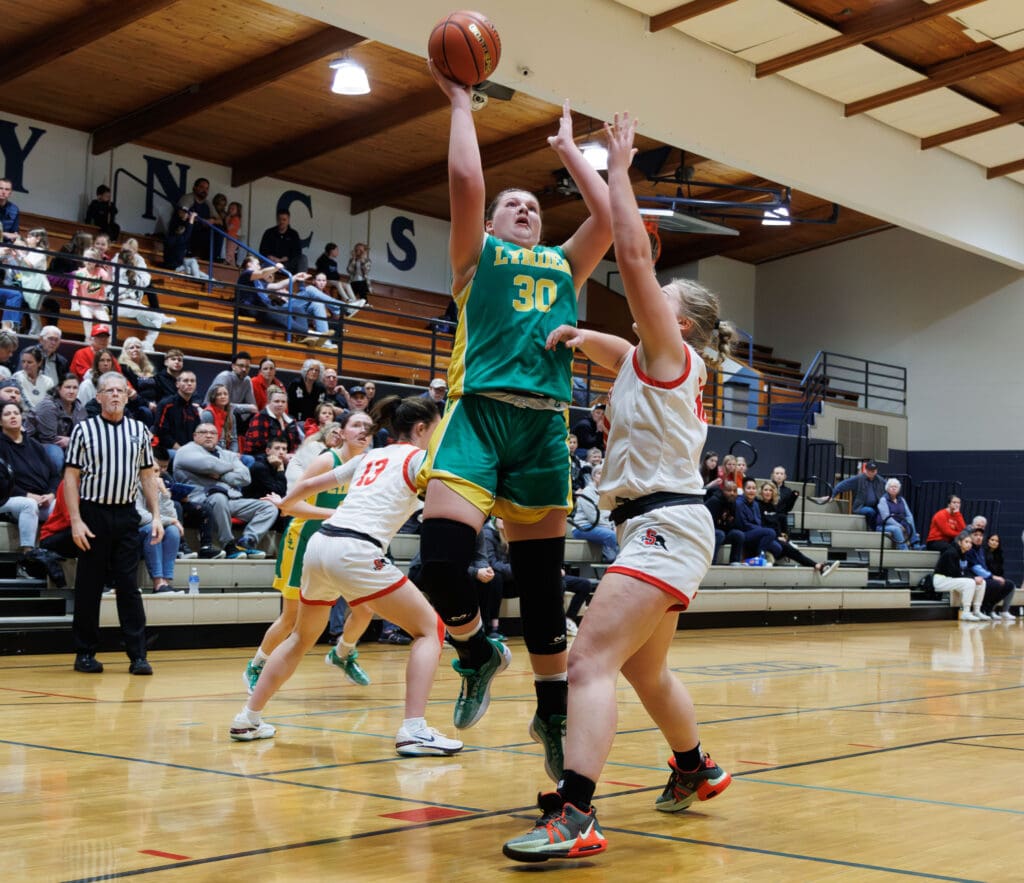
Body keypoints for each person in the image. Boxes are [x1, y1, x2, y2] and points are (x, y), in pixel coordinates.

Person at [502, 113, 729, 862]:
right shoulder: (646, 358)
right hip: (662, 525)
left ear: (683, 324)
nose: (649, 300)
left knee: (588, 660)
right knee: (643, 666)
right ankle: (695, 766)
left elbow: (630, 255)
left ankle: (577, 814)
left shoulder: (670, 351)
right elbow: (615, 348)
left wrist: (620, 170)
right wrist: (574, 336)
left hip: (665, 524)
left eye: (665, 298)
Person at [416, 67, 611, 774]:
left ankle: (553, 712)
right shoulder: (478, 260)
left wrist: (570, 155)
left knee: (541, 590)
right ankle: (474, 649)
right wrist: (462, 104)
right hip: (477, 417)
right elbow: (466, 184)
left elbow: (611, 220)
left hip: (541, 431)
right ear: (493, 224)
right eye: (514, 204)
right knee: (439, 561)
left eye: (534, 204)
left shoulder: (563, 265)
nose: (526, 208)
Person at [231, 396, 463, 761]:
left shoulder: (370, 456)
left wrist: (287, 503)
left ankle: (248, 718)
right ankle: (414, 730)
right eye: (436, 429)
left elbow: (310, 487)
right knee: (430, 629)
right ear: (421, 429)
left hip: (321, 544)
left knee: (300, 638)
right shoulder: (421, 459)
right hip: (356, 550)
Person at [243, 410, 374, 695]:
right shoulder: (327, 461)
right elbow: (290, 507)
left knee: (365, 609)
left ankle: (343, 654)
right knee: (291, 619)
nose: (363, 431)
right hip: (304, 540)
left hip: (339, 544)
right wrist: (337, 513)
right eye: (356, 425)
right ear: (342, 432)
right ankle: (256, 665)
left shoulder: (368, 466)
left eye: (368, 426)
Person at [65, 371, 164, 674]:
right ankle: (85, 653)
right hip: (93, 514)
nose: (115, 395)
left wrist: (157, 516)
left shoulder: (138, 430)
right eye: (109, 391)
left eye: (120, 390)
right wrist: (76, 521)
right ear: (99, 397)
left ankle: (138, 655)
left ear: (127, 394)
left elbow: (148, 476)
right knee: (89, 587)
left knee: (129, 587)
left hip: (125, 515)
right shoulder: (84, 430)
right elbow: (71, 477)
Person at [172, 423, 277, 559]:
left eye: (213, 433)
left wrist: (220, 474)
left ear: (218, 437)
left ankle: (247, 542)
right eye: (203, 432)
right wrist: (232, 468)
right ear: (195, 436)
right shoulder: (185, 451)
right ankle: (228, 544)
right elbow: (209, 464)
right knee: (219, 497)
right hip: (201, 500)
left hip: (231, 499)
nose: (209, 435)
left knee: (269, 507)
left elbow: (245, 477)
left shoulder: (227, 454)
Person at [0, 401, 59, 556]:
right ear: (0, 421)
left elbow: (54, 474)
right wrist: (27, 495)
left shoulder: (35, 445)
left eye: (16, 413)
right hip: (7, 498)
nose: (13, 416)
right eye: (7, 414)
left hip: (41, 498)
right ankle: (28, 556)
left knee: (58, 506)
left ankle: (54, 554)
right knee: (29, 504)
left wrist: (51, 494)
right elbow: (2, 483)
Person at [754, 480, 837, 576]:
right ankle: (817, 566)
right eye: (766, 490)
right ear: (761, 492)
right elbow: (762, 525)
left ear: (773, 492)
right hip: (765, 537)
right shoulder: (757, 505)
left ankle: (818, 566)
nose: (768, 492)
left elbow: (776, 525)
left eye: (770, 490)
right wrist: (777, 537)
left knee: (789, 548)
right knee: (790, 549)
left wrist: (781, 536)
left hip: (775, 538)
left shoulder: (773, 506)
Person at [111, 240, 175, 349]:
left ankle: (148, 343)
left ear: (135, 252)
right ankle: (156, 318)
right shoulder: (116, 266)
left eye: (129, 252)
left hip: (132, 300)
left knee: (151, 291)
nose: (126, 255)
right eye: (124, 251)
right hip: (120, 302)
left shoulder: (138, 262)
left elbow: (146, 279)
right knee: (157, 317)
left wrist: (135, 279)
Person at [136, 464, 184, 594]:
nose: (154, 475)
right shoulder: (133, 486)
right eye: (150, 471)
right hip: (134, 532)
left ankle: (165, 582)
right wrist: (170, 520)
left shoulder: (158, 488)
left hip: (153, 530)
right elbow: (139, 516)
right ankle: (157, 582)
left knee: (173, 531)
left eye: (157, 471)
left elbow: (173, 517)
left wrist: (163, 492)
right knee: (154, 528)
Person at [25, 374, 86, 474]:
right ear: (59, 389)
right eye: (67, 387)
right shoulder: (48, 406)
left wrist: (72, 441)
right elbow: (49, 438)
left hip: (66, 444)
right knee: (56, 454)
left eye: (75, 388)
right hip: (37, 444)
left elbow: (84, 434)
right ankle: (52, 486)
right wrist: (73, 441)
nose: (71, 391)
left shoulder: (79, 407)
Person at [569, 462, 618, 563]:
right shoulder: (587, 492)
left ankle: (614, 558)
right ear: (593, 477)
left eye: (605, 473)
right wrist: (611, 527)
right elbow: (594, 518)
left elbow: (612, 514)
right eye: (599, 473)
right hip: (583, 527)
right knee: (611, 535)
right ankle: (615, 561)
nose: (602, 476)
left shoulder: (607, 492)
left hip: (601, 526)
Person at [965, 527, 1016, 621]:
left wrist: (996, 577)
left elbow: (992, 569)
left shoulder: (980, 550)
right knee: (996, 584)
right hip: (973, 577)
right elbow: (975, 567)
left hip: (985, 576)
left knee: (1009, 584)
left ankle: (990, 609)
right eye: (976, 535)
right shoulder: (971, 549)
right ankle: (983, 609)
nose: (979, 537)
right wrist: (992, 576)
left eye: (980, 535)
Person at [933, 530, 984, 621]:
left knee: (982, 582)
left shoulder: (964, 554)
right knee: (970, 582)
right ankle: (965, 612)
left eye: (970, 543)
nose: (969, 544)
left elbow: (965, 571)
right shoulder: (951, 553)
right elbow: (954, 573)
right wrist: (973, 578)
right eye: (966, 542)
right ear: (960, 542)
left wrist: (974, 578)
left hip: (951, 580)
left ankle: (977, 610)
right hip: (941, 580)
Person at [821, 461, 885, 529]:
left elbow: (890, 487)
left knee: (883, 511)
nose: (871, 472)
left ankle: (879, 530)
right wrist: (832, 496)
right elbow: (842, 485)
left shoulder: (880, 480)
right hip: (860, 507)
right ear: (866, 470)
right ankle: (873, 529)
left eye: (873, 471)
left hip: (876, 506)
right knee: (870, 511)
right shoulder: (858, 479)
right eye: (869, 470)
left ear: (876, 471)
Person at [242, 386, 302, 459]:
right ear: (269, 402)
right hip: (260, 458)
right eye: (276, 401)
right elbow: (258, 445)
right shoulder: (260, 417)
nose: (280, 404)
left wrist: (292, 456)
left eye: (283, 402)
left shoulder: (291, 420)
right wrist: (282, 456)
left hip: (286, 457)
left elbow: (297, 443)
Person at [153, 370, 202, 454]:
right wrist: (181, 450)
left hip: (189, 450)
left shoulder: (194, 410)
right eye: (185, 380)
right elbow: (161, 433)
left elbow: (197, 434)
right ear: (177, 384)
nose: (189, 383)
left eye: (192, 381)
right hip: (168, 450)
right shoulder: (166, 404)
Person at [205, 351, 259, 424]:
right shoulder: (224, 377)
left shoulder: (247, 380)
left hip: (231, 414)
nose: (244, 369)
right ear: (233, 366)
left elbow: (254, 407)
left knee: (255, 417)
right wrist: (247, 408)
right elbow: (219, 403)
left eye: (247, 367)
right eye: (241, 366)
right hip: (213, 412)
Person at [73, 248, 111, 338]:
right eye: (87, 258)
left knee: (106, 321)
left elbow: (108, 282)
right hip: (85, 304)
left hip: (98, 305)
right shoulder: (79, 273)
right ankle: (88, 339)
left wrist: (109, 271)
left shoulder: (100, 271)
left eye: (92, 259)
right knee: (87, 319)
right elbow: (75, 287)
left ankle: (107, 341)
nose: (89, 261)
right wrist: (74, 296)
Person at [876, 478, 920, 550]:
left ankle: (915, 543)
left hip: (901, 523)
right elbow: (886, 518)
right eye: (891, 487)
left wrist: (908, 523)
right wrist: (899, 526)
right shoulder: (883, 500)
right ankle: (904, 549)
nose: (893, 488)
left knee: (909, 519)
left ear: (899, 489)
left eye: (895, 487)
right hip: (884, 525)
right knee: (896, 529)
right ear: (887, 488)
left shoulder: (901, 499)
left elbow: (909, 514)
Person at [259, 211, 307, 275]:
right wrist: (270, 257)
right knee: (264, 262)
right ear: (276, 220)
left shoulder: (294, 234)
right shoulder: (269, 232)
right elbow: (262, 250)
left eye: (284, 219)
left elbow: (297, 252)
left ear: (288, 220)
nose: (281, 222)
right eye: (279, 219)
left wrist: (284, 259)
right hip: (272, 263)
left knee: (303, 258)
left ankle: (301, 283)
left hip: (287, 264)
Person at [984, 534, 1016, 620]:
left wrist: (1001, 578)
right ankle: (990, 610)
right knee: (997, 585)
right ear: (988, 541)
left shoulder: (999, 554)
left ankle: (1004, 611)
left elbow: (1000, 571)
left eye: (997, 541)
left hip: (996, 577)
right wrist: (994, 577)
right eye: (992, 540)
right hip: (987, 577)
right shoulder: (983, 552)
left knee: (1010, 585)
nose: (994, 542)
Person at [202, 384, 241, 452]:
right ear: (213, 397)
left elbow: (234, 440)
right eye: (219, 394)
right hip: (213, 451)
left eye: (225, 394)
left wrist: (233, 454)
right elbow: (206, 440)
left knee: (249, 459)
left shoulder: (231, 416)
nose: (223, 396)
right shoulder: (208, 414)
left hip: (227, 452)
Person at [13, 346, 53, 412]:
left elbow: (49, 404)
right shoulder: (17, 377)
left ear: (39, 363)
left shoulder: (48, 381)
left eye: (29, 362)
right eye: (23, 362)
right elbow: (22, 403)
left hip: (42, 417)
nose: (25, 365)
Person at [287, 359, 326, 424]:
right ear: (306, 370)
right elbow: (289, 404)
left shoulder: (321, 388)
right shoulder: (296, 384)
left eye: (317, 370)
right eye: (311, 369)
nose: (314, 372)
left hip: (313, 423)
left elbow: (321, 407)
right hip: (295, 420)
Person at [224, 200, 243, 266]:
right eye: (230, 208)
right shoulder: (233, 218)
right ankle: (233, 268)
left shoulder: (235, 219)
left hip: (233, 238)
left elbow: (229, 228)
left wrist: (226, 220)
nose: (230, 210)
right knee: (231, 255)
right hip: (230, 237)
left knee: (229, 253)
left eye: (233, 208)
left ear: (237, 211)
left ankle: (224, 264)